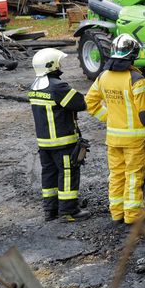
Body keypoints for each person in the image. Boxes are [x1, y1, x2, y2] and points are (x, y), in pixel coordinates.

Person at [85, 34, 145, 226]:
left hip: (113, 138)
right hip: (134, 141)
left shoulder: (103, 77)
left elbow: (90, 102)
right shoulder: (137, 80)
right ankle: (132, 215)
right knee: (134, 176)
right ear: (133, 54)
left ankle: (117, 212)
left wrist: (109, 118)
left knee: (116, 175)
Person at [28, 48, 87, 222]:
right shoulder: (58, 87)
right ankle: (68, 211)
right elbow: (80, 103)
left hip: (44, 144)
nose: (60, 65)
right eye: (58, 62)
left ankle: (50, 210)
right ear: (51, 65)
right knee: (68, 175)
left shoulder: (34, 86)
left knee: (49, 175)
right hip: (63, 143)